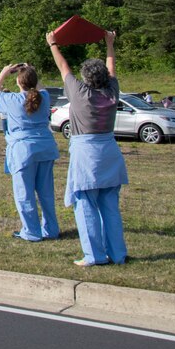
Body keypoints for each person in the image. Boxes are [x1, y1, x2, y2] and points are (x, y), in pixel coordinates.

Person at [47, 29, 129, 267]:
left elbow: (64, 68)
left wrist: (53, 44)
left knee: (85, 205)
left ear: (85, 78)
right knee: (111, 208)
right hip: (110, 151)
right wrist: (109, 44)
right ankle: (117, 254)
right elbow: (112, 69)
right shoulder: (112, 92)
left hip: (86, 154)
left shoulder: (80, 93)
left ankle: (94, 255)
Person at [0, 63, 60, 242]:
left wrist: (4, 71)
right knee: (46, 192)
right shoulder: (43, 97)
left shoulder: (13, 99)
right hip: (45, 148)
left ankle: (31, 231)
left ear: (19, 82)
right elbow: (41, 88)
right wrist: (32, 71)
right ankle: (51, 229)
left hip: (23, 150)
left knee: (24, 193)